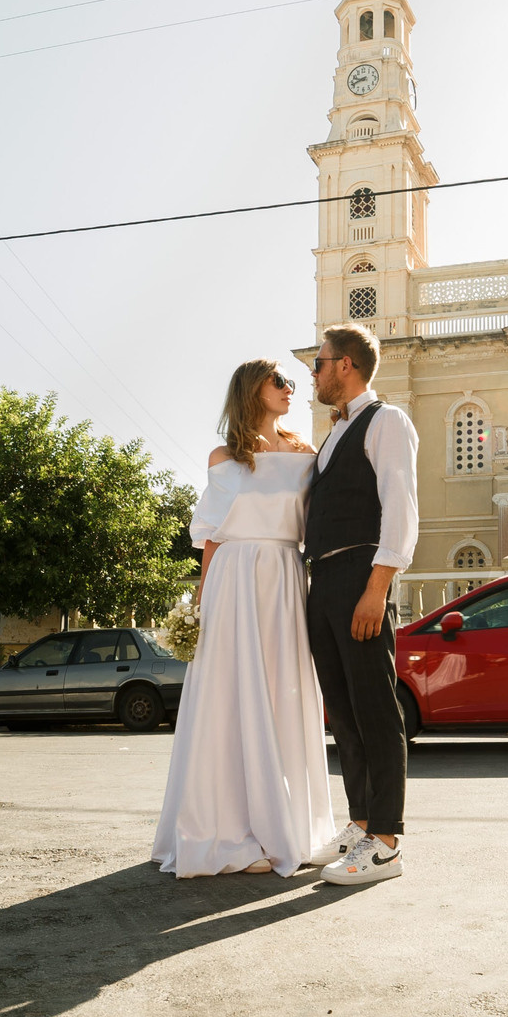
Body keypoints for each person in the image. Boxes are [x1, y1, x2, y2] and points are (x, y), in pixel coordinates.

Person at [152, 360, 340, 877]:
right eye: (279, 381)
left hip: (282, 576)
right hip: (233, 580)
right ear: (251, 390)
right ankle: (230, 832)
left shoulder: (305, 453)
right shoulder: (224, 456)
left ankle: (286, 825)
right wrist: (200, 604)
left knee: (282, 692)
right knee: (228, 698)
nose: (288, 390)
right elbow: (212, 535)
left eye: (291, 383)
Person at [305, 324, 419, 884]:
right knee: (344, 713)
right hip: (323, 578)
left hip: (360, 574)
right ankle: (360, 823)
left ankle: (387, 843)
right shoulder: (334, 433)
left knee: (376, 710)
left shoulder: (387, 421)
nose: (314, 372)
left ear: (345, 364)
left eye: (319, 363)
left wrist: (377, 588)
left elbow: (400, 508)